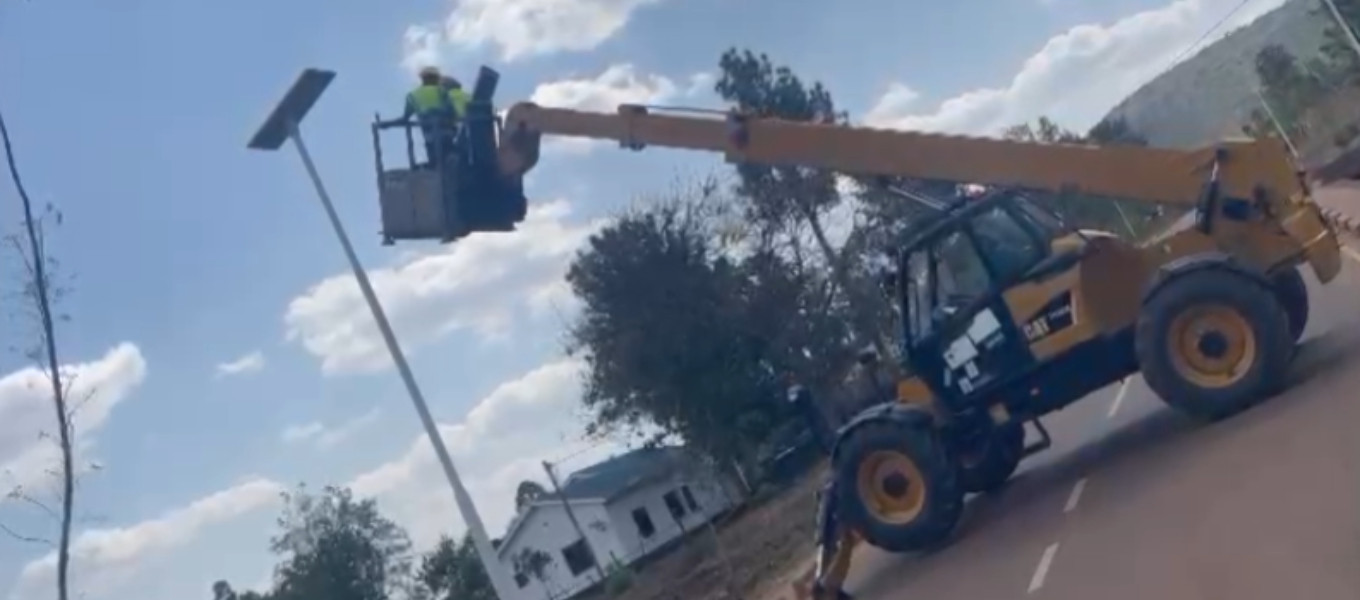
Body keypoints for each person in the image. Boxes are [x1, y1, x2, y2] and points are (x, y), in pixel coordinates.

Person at [403, 66, 457, 169]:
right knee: (449, 156)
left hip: (429, 133)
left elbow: (405, 117)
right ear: (436, 78)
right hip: (446, 131)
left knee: (434, 159)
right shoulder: (442, 91)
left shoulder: (412, 95)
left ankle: (433, 166)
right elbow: (452, 111)